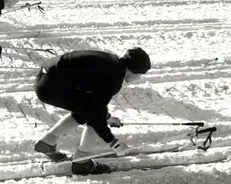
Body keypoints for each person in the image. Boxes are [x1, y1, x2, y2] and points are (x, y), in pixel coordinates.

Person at [33, 47, 151, 175]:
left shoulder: (112, 63)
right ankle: (81, 163)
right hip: (51, 87)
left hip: (45, 78)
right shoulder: (113, 78)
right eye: (140, 74)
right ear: (133, 71)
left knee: (86, 110)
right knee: (93, 116)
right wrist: (113, 142)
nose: (138, 78)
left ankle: (47, 143)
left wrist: (107, 117)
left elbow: (95, 103)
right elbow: (97, 114)